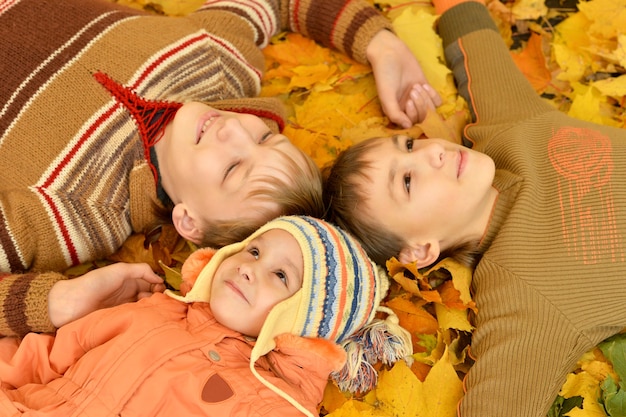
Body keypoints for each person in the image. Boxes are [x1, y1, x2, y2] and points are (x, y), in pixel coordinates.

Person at [0, 0, 442, 337]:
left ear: (188, 220)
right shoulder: (218, 64)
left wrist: (55, 302)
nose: (233, 131)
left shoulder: (78, 212)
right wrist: (381, 45)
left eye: (232, 169)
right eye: (266, 137)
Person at [322, 0, 626, 416]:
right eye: (407, 181)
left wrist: (384, 48)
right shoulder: (524, 294)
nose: (432, 155)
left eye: (409, 144)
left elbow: (466, 21)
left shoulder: (509, 128)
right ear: (420, 250)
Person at [0, 215, 412, 416]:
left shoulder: (274, 403)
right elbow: (42, 356)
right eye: (254, 249)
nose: (250, 266)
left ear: (306, 323)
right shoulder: (154, 311)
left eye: (281, 275)